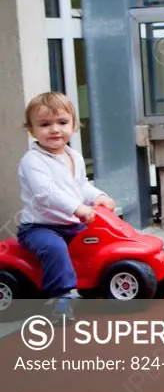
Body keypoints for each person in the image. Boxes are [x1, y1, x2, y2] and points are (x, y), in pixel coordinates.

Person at [17, 92, 117, 315]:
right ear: (31, 130)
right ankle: (60, 297)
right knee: (54, 247)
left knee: (99, 240)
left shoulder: (74, 156)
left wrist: (98, 197)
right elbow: (46, 193)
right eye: (45, 124)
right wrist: (77, 208)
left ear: (74, 126)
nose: (54, 129)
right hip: (40, 226)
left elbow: (80, 186)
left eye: (62, 122)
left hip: (71, 223)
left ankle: (93, 283)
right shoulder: (33, 161)